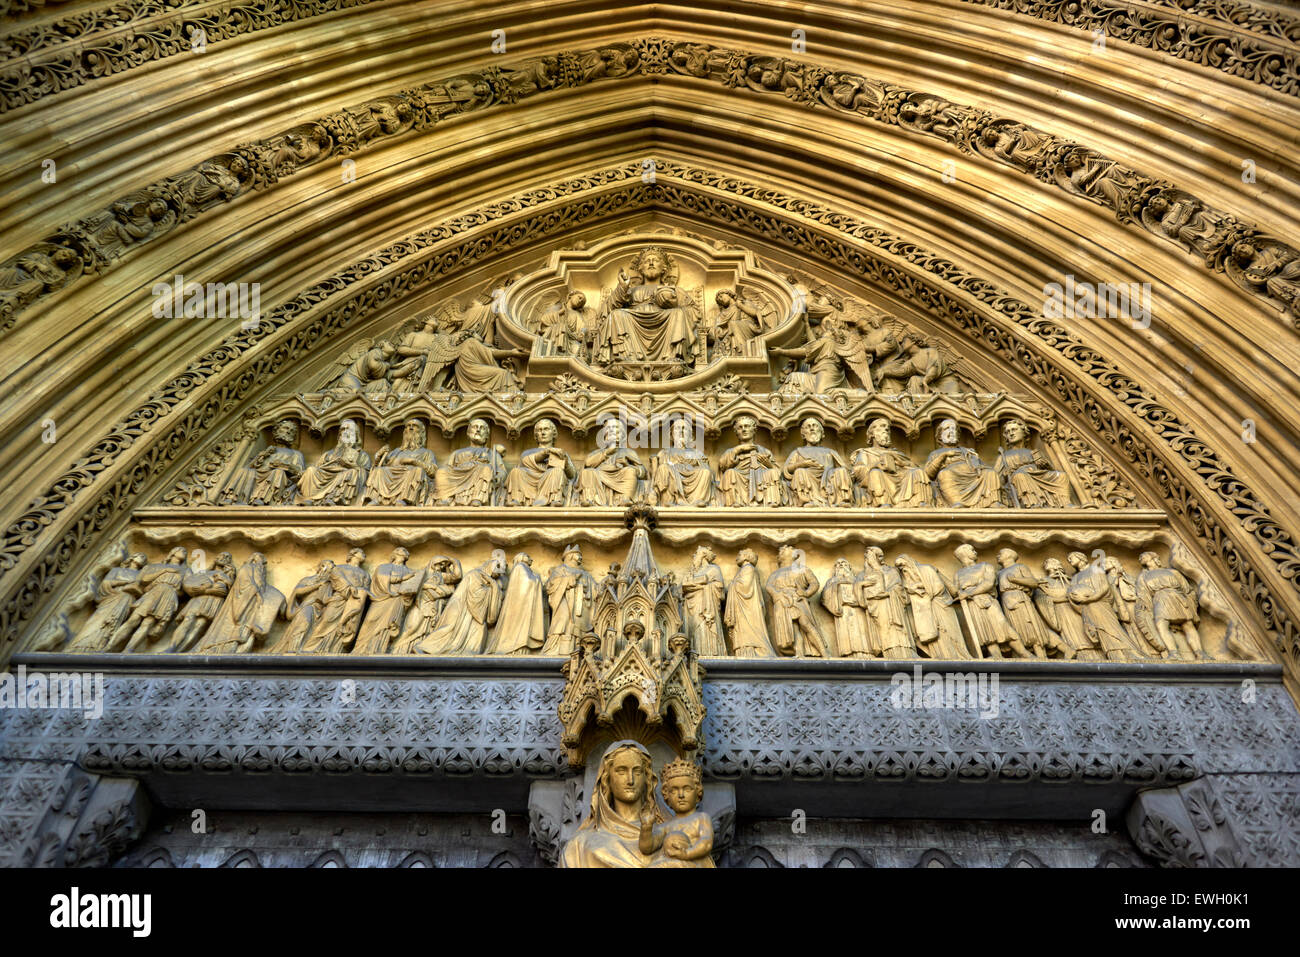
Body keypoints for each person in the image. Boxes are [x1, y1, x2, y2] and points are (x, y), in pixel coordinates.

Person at [560, 740, 663, 868]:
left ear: (646, 778)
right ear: (607, 778)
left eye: (637, 771)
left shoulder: (666, 836)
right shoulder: (579, 846)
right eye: (621, 771)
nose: (630, 780)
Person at [641, 758, 715, 867]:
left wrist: (686, 854)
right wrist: (646, 828)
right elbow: (647, 848)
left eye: (687, 789)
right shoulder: (666, 826)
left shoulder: (701, 818)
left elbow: (706, 842)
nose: (681, 795)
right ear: (666, 796)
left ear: (698, 792)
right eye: (674, 790)